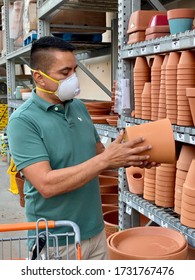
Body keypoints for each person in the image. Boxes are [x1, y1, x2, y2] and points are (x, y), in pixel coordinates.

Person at [7, 36, 155, 260]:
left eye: (74, 70)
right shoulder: (23, 121)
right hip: (56, 240)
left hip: (95, 231)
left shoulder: (79, 107)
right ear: (39, 78)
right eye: (65, 73)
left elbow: (98, 155)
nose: (73, 78)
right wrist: (105, 161)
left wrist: (130, 157)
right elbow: (46, 184)